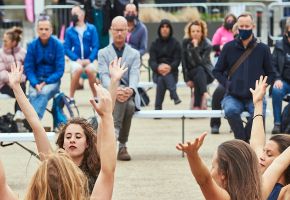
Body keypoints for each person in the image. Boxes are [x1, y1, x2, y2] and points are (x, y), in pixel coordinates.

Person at [0, 61, 125, 199]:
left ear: (87, 143)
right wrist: (16, 87)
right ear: (63, 143)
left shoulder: (95, 168)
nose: (72, 139)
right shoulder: (53, 166)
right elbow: (36, 125)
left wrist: (114, 82)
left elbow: (105, 121)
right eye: (68, 136)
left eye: (78, 137)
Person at [212, 12, 275, 142]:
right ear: (237, 27)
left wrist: (263, 88)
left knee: (258, 115)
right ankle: (243, 142)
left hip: (256, 96)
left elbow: (271, 73)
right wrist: (228, 84)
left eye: (247, 26)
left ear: (253, 26)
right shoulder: (228, 48)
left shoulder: (263, 49)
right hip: (233, 95)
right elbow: (216, 71)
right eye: (242, 26)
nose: (244, 29)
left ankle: (244, 142)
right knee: (230, 111)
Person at [98, 16, 140, 161]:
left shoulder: (134, 54)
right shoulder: (103, 53)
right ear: (111, 30)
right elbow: (103, 76)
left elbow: (135, 75)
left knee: (128, 102)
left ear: (127, 31)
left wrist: (131, 90)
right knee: (128, 106)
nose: (119, 33)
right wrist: (115, 90)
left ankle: (113, 137)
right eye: (116, 30)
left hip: (128, 93)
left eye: (122, 30)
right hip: (110, 92)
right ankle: (122, 145)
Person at [250, 76, 290, 200]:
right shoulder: (261, 179)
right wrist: (258, 103)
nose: (261, 156)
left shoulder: (285, 192)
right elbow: (256, 142)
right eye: (264, 151)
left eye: (269, 154)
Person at [24, 14, 65, 120]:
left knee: (43, 92)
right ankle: (34, 123)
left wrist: (45, 82)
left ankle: (33, 121)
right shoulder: (32, 45)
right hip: (36, 81)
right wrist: (35, 83)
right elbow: (28, 68)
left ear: (51, 30)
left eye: (46, 29)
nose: (43, 31)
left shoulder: (58, 45)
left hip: (52, 82)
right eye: (41, 29)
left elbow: (60, 70)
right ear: (37, 30)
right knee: (33, 94)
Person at [64, 5, 99, 104]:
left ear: (82, 14)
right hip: (76, 61)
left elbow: (96, 46)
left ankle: (96, 96)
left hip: (89, 60)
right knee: (78, 69)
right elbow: (66, 48)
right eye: (73, 14)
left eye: (76, 13)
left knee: (90, 70)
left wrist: (90, 59)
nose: (74, 16)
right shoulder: (69, 30)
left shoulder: (91, 28)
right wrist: (76, 59)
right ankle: (71, 97)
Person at [210, 14, 237, 134]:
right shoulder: (227, 49)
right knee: (217, 94)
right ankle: (215, 124)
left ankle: (235, 125)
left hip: (244, 82)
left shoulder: (253, 48)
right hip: (228, 80)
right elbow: (217, 70)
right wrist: (226, 82)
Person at [149, 19, 182, 110]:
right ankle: (174, 95)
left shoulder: (176, 44)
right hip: (157, 72)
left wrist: (170, 67)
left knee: (161, 80)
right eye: (162, 27)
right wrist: (158, 67)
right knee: (160, 78)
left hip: (172, 73)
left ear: (170, 29)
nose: (165, 29)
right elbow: (152, 61)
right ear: (159, 29)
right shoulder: (154, 44)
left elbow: (177, 60)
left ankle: (157, 109)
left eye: (167, 27)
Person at [181, 20, 214, 110]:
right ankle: (204, 94)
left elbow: (201, 63)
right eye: (193, 31)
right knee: (198, 73)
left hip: (207, 73)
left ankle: (196, 106)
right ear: (189, 32)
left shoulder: (207, 45)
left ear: (202, 32)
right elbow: (183, 62)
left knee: (199, 71)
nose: (195, 33)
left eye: (198, 31)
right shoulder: (185, 43)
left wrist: (195, 48)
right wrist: (186, 79)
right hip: (192, 72)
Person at [0, 27, 26, 121]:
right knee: (21, 93)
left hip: (19, 82)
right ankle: (19, 113)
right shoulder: (1, 53)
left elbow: (26, 69)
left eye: (6, 41)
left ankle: (19, 114)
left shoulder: (23, 52)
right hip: (4, 85)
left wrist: (18, 79)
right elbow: (1, 73)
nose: (4, 42)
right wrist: (12, 79)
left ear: (14, 42)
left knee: (20, 88)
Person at [271, 18, 290, 134]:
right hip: (283, 81)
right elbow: (273, 65)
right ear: (287, 29)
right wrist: (277, 79)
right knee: (276, 90)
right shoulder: (279, 45)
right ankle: (277, 123)